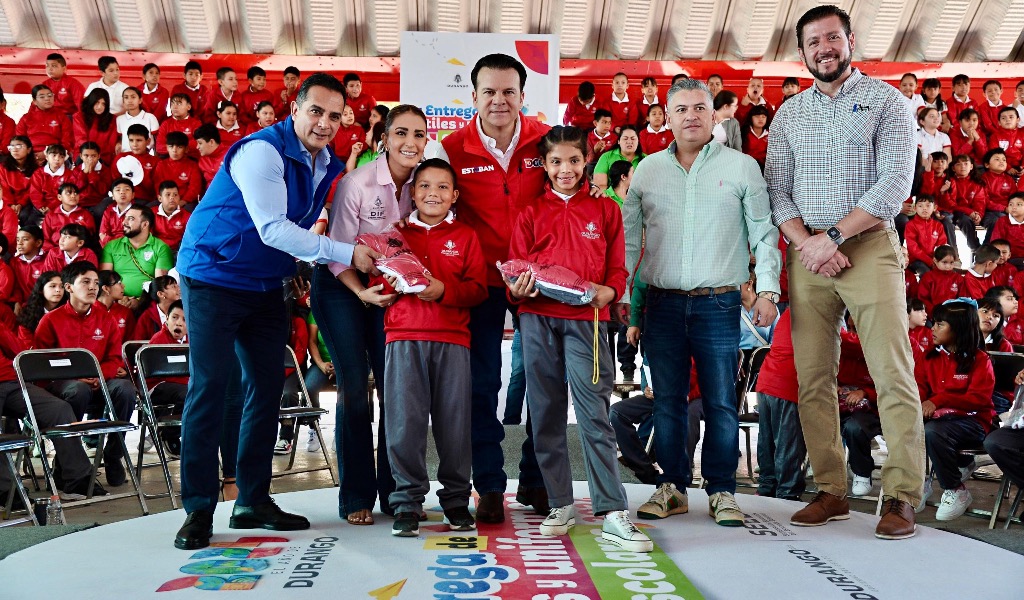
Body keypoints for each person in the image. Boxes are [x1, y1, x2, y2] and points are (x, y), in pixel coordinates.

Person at [173, 73, 379, 551]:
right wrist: (346, 253)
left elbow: (297, 230)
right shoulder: (262, 151)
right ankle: (199, 509)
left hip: (266, 284)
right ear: (295, 108)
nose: (324, 123)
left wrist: (300, 266)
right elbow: (273, 229)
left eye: (334, 115)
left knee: (267, 390)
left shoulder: (326, 162)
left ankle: (252, 500)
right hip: (213, 276)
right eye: (316, 111)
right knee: (210, 387)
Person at [765, 4, 926, 540]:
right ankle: (831, 488)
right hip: (806, 252)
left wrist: (832, 238)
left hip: (868, 246)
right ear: (802, 52)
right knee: (812, 377)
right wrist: (808, 243)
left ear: (850, 40)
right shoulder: (790, 113)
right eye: (813, 42)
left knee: (891, 372)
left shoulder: (887, 101)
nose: (824, 49)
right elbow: (777, 190)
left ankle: (901, 495)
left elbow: (895, 183)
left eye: (832, 38)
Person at [623, 77, 781, 527]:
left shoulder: (742, 167)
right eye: (681, 109)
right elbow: (630, 241)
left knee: (721, 402)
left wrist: (768, 290)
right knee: (667, 401)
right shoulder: (648, 170)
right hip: (662, 305)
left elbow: (764, 233)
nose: (690, 116)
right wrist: (623, 294)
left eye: (699, 108)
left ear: (714, 116)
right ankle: (671, 487)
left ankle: (722, 490)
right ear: (666, 118)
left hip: (719, 303)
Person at [506, 125, 651, 552]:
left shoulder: (605, 210)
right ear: (545, 165)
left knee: (594, 416)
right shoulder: (530, 212)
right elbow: (514, 272)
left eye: (573, 160)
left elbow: (618, 269)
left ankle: (613, 511)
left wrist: (611, 290)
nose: (565, 169)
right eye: (555, 162)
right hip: (538, 321)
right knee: (545, 415)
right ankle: (560, 502)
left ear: (587, 159)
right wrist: (517, 288)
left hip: (588, 322)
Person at [438, 53, 549, 523]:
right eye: (489, 91)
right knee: (481, 385)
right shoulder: (451, 148)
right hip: (480, 282)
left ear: (523, 95)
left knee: (544, 382)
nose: (499, 100)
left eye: (508, 91)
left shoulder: (546, 141)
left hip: (538, 282)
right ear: (473, 96)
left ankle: (536, 479)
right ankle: (488, 484)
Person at [312, 105, 425, 525]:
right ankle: (356, 494)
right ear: (384, 140)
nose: (410, 142)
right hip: (340, 284)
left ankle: (395, 492)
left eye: (419, 134)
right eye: (401, 133)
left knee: (394, 389)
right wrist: (361, 292)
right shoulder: (356, 182)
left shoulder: (422, 183)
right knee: (355, 389)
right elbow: (337, 254)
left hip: (386, 290)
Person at [383, 159, 487, 537]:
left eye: (443, 187)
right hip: (403, 337)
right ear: (412, 193)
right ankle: (407, 503)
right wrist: (391, 284)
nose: (433, 194)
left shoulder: (466, 236)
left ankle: (456, 500)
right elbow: (380, 282)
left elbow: (477, 290)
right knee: (404, 424)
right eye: (425, 186)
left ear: (454, 195)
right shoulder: (394, 234)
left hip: (453, 340)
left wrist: (443, 290)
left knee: (454, 425)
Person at [34, 261, 136, 489]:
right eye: (86, 282)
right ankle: (66, 460)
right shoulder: (50, 320)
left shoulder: (106, 319)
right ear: (69, 287)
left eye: (96, 283)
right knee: (77, 390)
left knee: (125, 389)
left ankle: (114, 454)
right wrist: (74, 377)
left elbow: (114, 359)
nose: (93, 287)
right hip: (63, 385)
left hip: (99, 381)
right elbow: (42, 364)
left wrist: (99, 376)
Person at [916, 300, 996, 521]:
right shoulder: (929, 356)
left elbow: (978, 399)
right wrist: (920, 404)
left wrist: (939, 401)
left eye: (940, 324)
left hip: (974, 422)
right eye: (934, 323)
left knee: (933, 431)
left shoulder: (980, 360)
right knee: (909, 424)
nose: (933, 328)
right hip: (939, 420)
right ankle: (918, 481)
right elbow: (919, 387)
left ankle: (956, 490)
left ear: (958, 329)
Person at [754, 309, 805, 500]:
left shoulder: (790, 312)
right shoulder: (812, 309)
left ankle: (766, 488)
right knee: (787, 443)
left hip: (767, 380)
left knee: (767, 441)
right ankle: (787, 495)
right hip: (786, 382)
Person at [99, 205, 173, 302]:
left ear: (145, 224)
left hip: (147, 303)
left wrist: (139, 301)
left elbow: (160, 286)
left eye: (131, 219)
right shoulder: (111, 246)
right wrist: (119, 299)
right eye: (125, 218)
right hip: (115, 302)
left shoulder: (161, 248)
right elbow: (105, 280)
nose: (124, 222)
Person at [73, 89, 117, 166]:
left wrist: (97, 156)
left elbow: (111, 144)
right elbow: (81, 140)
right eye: (97, 102)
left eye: (103, 104)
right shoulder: (79, 116)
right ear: (91, 102)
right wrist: (91, 155)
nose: (100, 107)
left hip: (103, 156)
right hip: (84, 155)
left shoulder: (112, 119)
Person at [593, 124, 643, 190]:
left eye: (633, 138)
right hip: (610, 196)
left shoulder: (646, 159)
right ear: (619, 141)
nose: (629, 142)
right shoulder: (606, 157)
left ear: (638, 141)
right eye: (625, 139)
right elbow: (600, 186)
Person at [117, 87, 160, 153]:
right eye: (126, 97)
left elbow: (157, 140)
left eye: (133, 97)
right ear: (123, 101)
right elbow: (120, 140)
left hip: (146, 155)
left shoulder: (150, 117)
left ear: (140, 100)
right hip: (126, 155)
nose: (129, 100)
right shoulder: (119, 119)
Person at [42, 53, 85, 119]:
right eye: (47, 66)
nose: (50, 69)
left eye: (54, 66)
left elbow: (81, 105)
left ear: (64, 69)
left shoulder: (73, 83)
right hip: (49, 117)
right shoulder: (44, 84)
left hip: (68, 117)